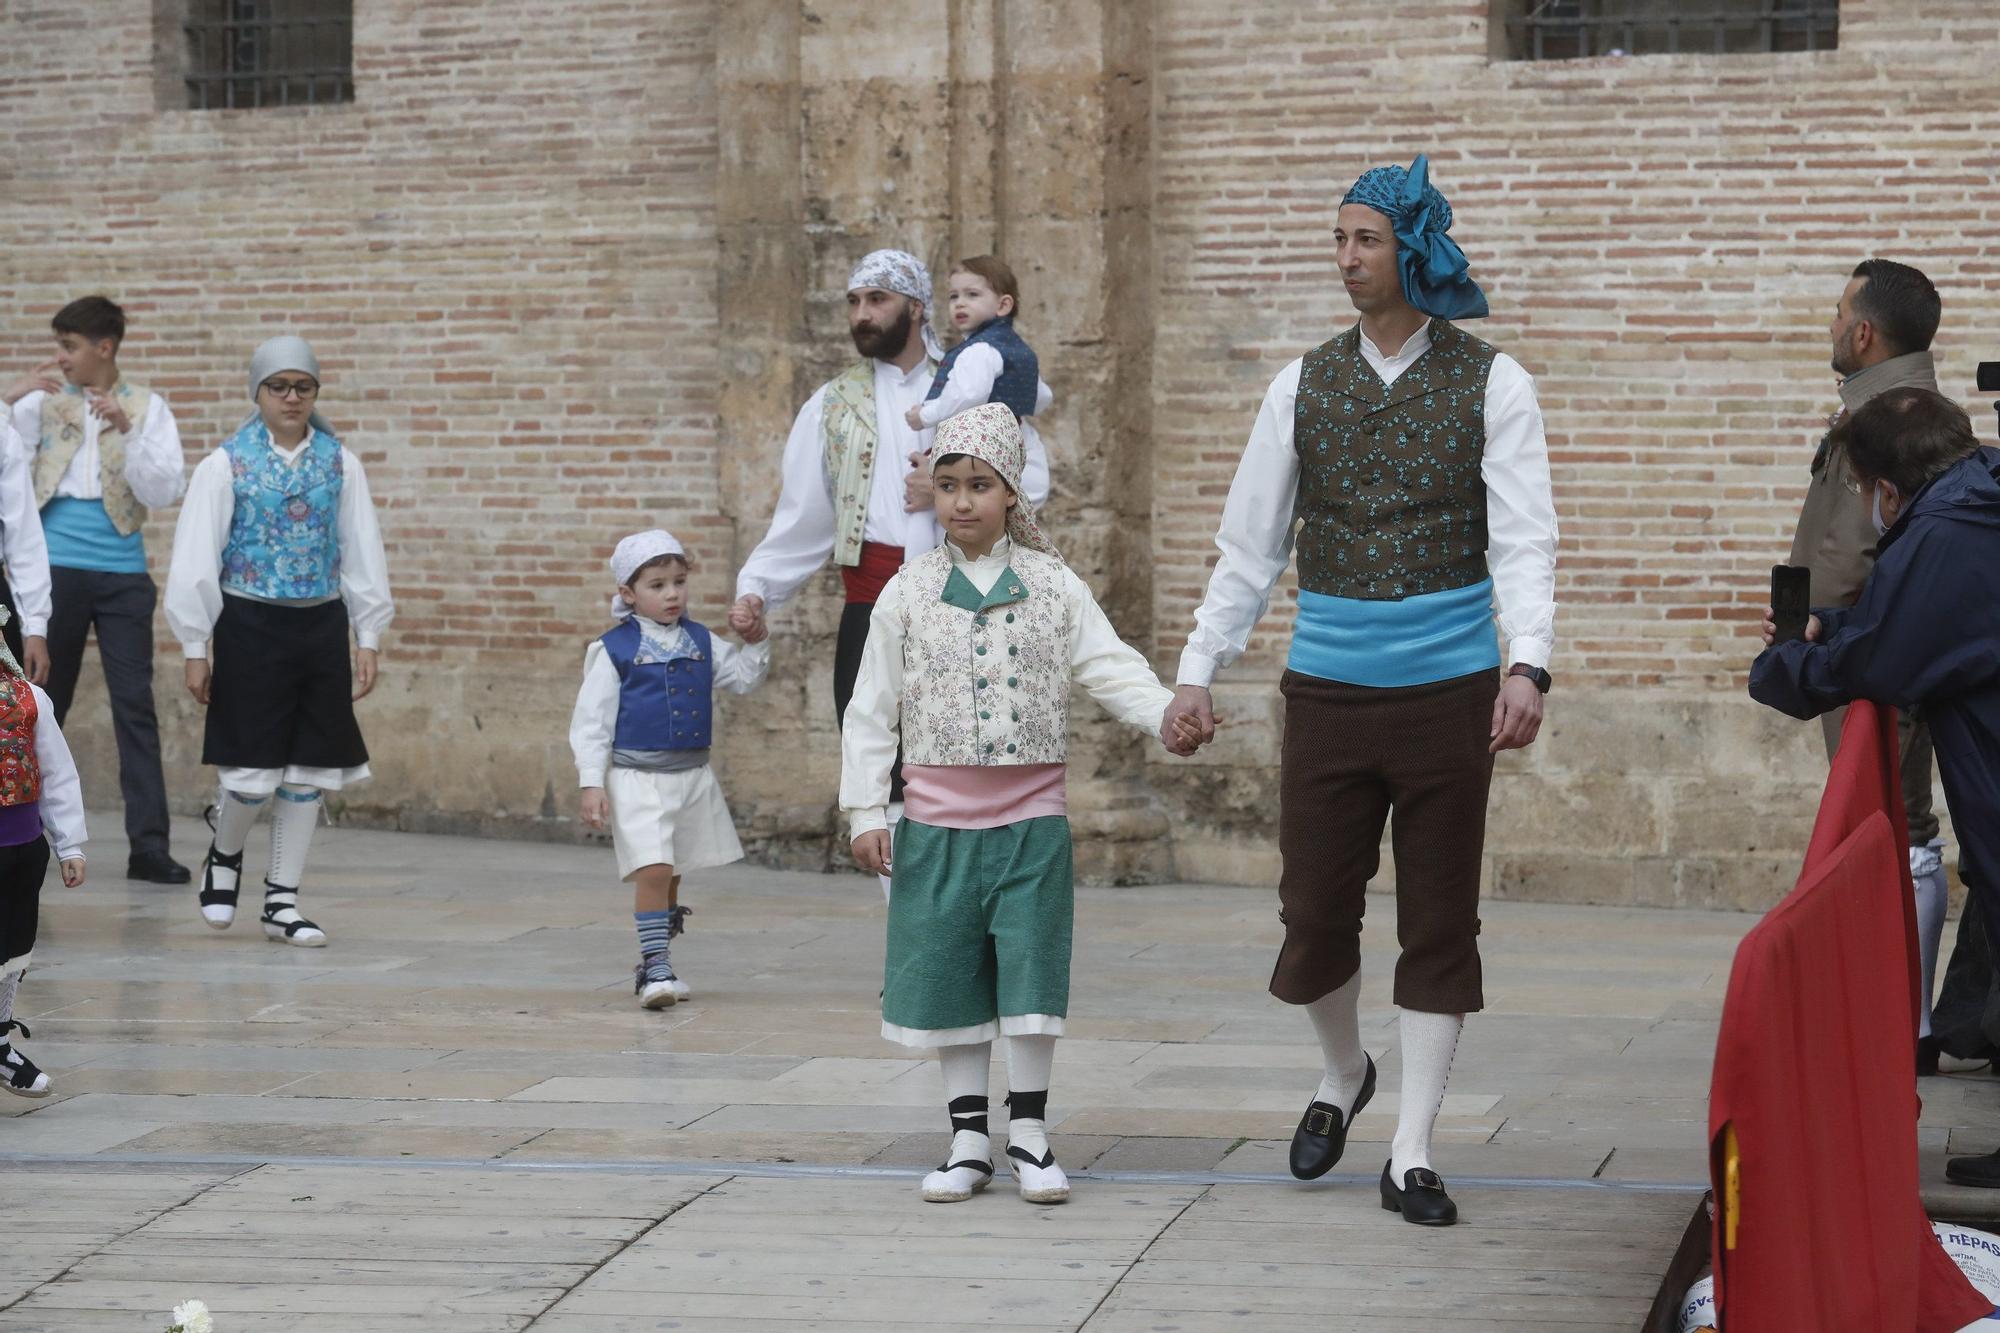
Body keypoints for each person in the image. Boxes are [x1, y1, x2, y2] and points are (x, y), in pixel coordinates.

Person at [1161, 155, 1559, 1227]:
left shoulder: (1494, 380)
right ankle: (1343, 1073)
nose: (1343, 259)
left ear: (1411, 249)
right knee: (1311, 915)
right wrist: (1196, 670)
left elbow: (1524, 540)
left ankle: (1411, 1152)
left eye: (1363, 240)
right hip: (1327, 691)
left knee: (1438, 921)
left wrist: (1528, 660)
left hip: (1448, 695)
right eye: (1336, 239)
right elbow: (1247, 549)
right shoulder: (1300, 382)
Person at [841, 402, 1198, 1206]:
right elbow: (872, 707)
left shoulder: (1050, 584)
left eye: (980, 484)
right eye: (947, 485)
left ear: (1011, 494)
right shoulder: (908, 589)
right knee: (949, 977)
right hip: (934, 825)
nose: (962, 500)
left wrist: (1167, 712)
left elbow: (1111, 667)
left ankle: (1030, 1132)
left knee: (1031, 978)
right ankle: (969, 1137)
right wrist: (867, 810)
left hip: (1031, 823)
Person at [730, 249, 1053, 897]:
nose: (861, 314)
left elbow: (1034, 480)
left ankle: (967, 929)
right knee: (881, 772)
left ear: (915, 306)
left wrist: (949, 489)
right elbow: (803, 517)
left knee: (966, 764)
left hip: (965, 602)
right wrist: (757, 587)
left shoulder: (971, 378)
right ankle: (912, 940)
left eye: (875, 299)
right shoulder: (833, 404)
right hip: (870, 604)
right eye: (853, 301)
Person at [1749, 387, 2000, 1187]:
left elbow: (1888, 661)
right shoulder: (1980, 495)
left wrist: (1786, 662)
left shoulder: (1939, 535)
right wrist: (1838, 624)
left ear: (1886, 488)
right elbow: (1919, 625)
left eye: (1864, 490)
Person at [164, 336, 393, 949]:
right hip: (248, 624)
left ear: (316, 392)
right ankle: (225, 854)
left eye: (304, 387)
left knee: (309, 770)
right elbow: (195, 557)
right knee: (250, 770)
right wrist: (195, 644)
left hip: (319, 626)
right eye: (279, 386)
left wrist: (367, 634)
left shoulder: (340, 463)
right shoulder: (226, 463)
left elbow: (361, 549)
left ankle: (282, 902)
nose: (292, 397)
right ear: (258, 392)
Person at [1787, 260, 1959, 1073]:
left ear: (1864, 332)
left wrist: (1839, 633)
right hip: (1847, 650)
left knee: (1900, 825)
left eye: (1836, 311)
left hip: (1876, 655)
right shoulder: (1879, 409)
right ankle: (1895, 1012)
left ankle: (1909, 1024)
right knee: (1880, 822)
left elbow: (1896, 554)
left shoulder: (1903, 420)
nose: (1828, 324)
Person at [4, 296, 188, 884]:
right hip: (53, 574)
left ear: (102, 349)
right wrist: (9, 400)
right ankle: (32, 835)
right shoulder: (36, 404)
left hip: (123, 573)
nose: (60, 358)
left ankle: (150, 847)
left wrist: (129, 431)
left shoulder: (147, 407)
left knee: (135, 705)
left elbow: (163, 491)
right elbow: (7, 468)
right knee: (38, 706)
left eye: (69, 347)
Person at [570, 529, 769, 1007]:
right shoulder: (613, 650)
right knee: (653, 868)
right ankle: (655, 967)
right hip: (636, 777)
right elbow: (591, 724)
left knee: (673, 871)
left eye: (678, 581)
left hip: (692, 776)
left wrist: (756, 641)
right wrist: (591, 783)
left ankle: (658, 943)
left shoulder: (701, 640)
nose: (672, 593)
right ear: (628, 594)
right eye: (657, 585)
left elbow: (742, 679)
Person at [0, 607, 88, 1098]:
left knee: (13, 948)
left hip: (21, 848)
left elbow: (57, 773)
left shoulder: (30, 700)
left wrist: (68, 843)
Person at [904, 257, 1050, 477]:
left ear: (1003, 305)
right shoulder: (1020, 350)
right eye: (954, 296)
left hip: (981, 444)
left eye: (972, 294)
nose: (960, 303)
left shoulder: (978, 351)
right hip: (1019, 437)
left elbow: (966, 396)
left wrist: (925, 415)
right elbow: (1042, 396)